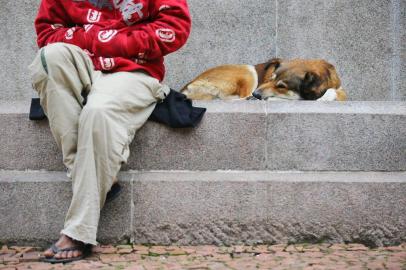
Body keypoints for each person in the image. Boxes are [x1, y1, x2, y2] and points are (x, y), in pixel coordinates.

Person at [29, 0, 191, 263]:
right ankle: (99, 178)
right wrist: (94, 38)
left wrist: (112, 41)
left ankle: (78, 232)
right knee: (49, 58)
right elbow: (48, 32)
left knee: (97, 112)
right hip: (82, 63)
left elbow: (175, 27)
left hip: (133, 69)